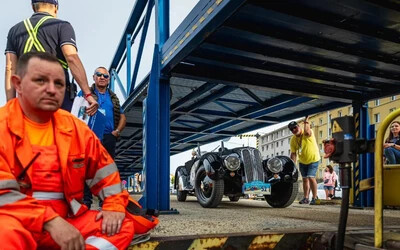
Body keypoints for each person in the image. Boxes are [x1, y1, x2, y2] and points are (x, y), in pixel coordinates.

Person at [0, 52, 157, 249]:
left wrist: (114, 205)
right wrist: (49, 221)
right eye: (40, 80)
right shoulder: (3, 126)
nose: (51, 89)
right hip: (15, 221)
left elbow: (105, 173)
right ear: (18, 84)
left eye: (59, 84)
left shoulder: (76, 129)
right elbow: (3, 194)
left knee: (121, 226)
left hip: (66, 221)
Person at [4, 0, 98, 115]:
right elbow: (71, 58)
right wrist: (87, 94)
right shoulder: (62, 26)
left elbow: (10, 68)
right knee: (58, 131)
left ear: (33, 7)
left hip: (27, 95)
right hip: (56, 94)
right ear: (55, 8)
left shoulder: (14, 30)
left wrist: (10, 104)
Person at [83, 67, 127, 208]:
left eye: (105, 76)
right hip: (90, 137)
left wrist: (117, 132)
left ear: (108, 79)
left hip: (109, 137)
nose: (102, 77)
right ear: (94, 77)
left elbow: (122, 117)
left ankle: (105, 202)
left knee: (107, 171)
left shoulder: (113, 98)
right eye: (99, 75)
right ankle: (85, 202)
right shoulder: (85, 94)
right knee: (87, 169)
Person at [288, 116, 321, 205]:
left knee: (311, 177)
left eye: (295, 127)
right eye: (292, 129)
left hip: (313, 159)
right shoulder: (293, 140)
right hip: (302, 161)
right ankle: (306, 198)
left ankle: (315, 197)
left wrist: (306, 121)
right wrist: (293, 166)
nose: (294, 130)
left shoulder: (308, 133)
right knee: (305, 179)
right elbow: (293, 153)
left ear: (299, 126)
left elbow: (307, 131)